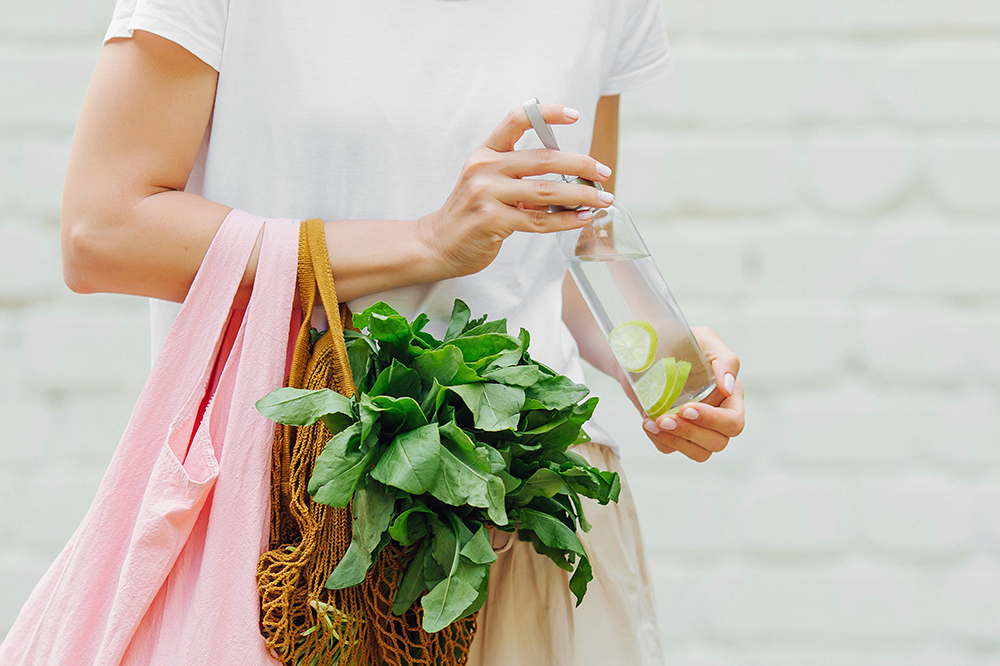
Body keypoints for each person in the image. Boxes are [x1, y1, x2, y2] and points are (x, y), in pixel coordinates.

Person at [60, 1, 745, 664]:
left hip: (520, 515)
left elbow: (561, 253)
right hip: (297, 524)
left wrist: (669, 362)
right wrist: (425, 242)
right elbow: (104, 230)